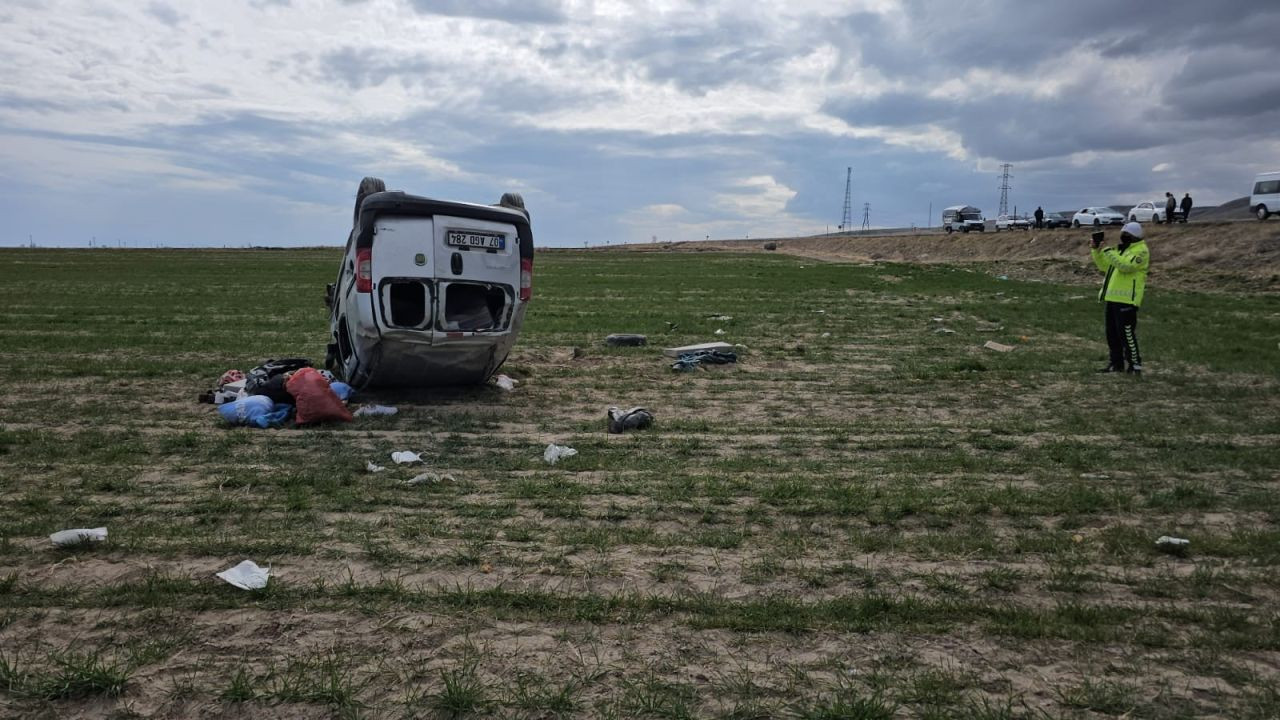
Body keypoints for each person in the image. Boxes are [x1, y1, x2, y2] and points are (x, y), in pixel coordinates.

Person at [1091, 222, 1149, 376]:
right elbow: (1105, 266)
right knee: (1112, 334)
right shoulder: (1121, 251)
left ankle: (1135, 364)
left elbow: (1126, 267)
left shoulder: (1141, 251)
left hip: (1127, 300)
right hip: (1112, 298)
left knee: (1127, 334)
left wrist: (1107, 250)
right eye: (1123, 233)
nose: (1123, 237)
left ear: (1134, 236)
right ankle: (1116, 363)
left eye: (1127, 234)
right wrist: (1096, 251)